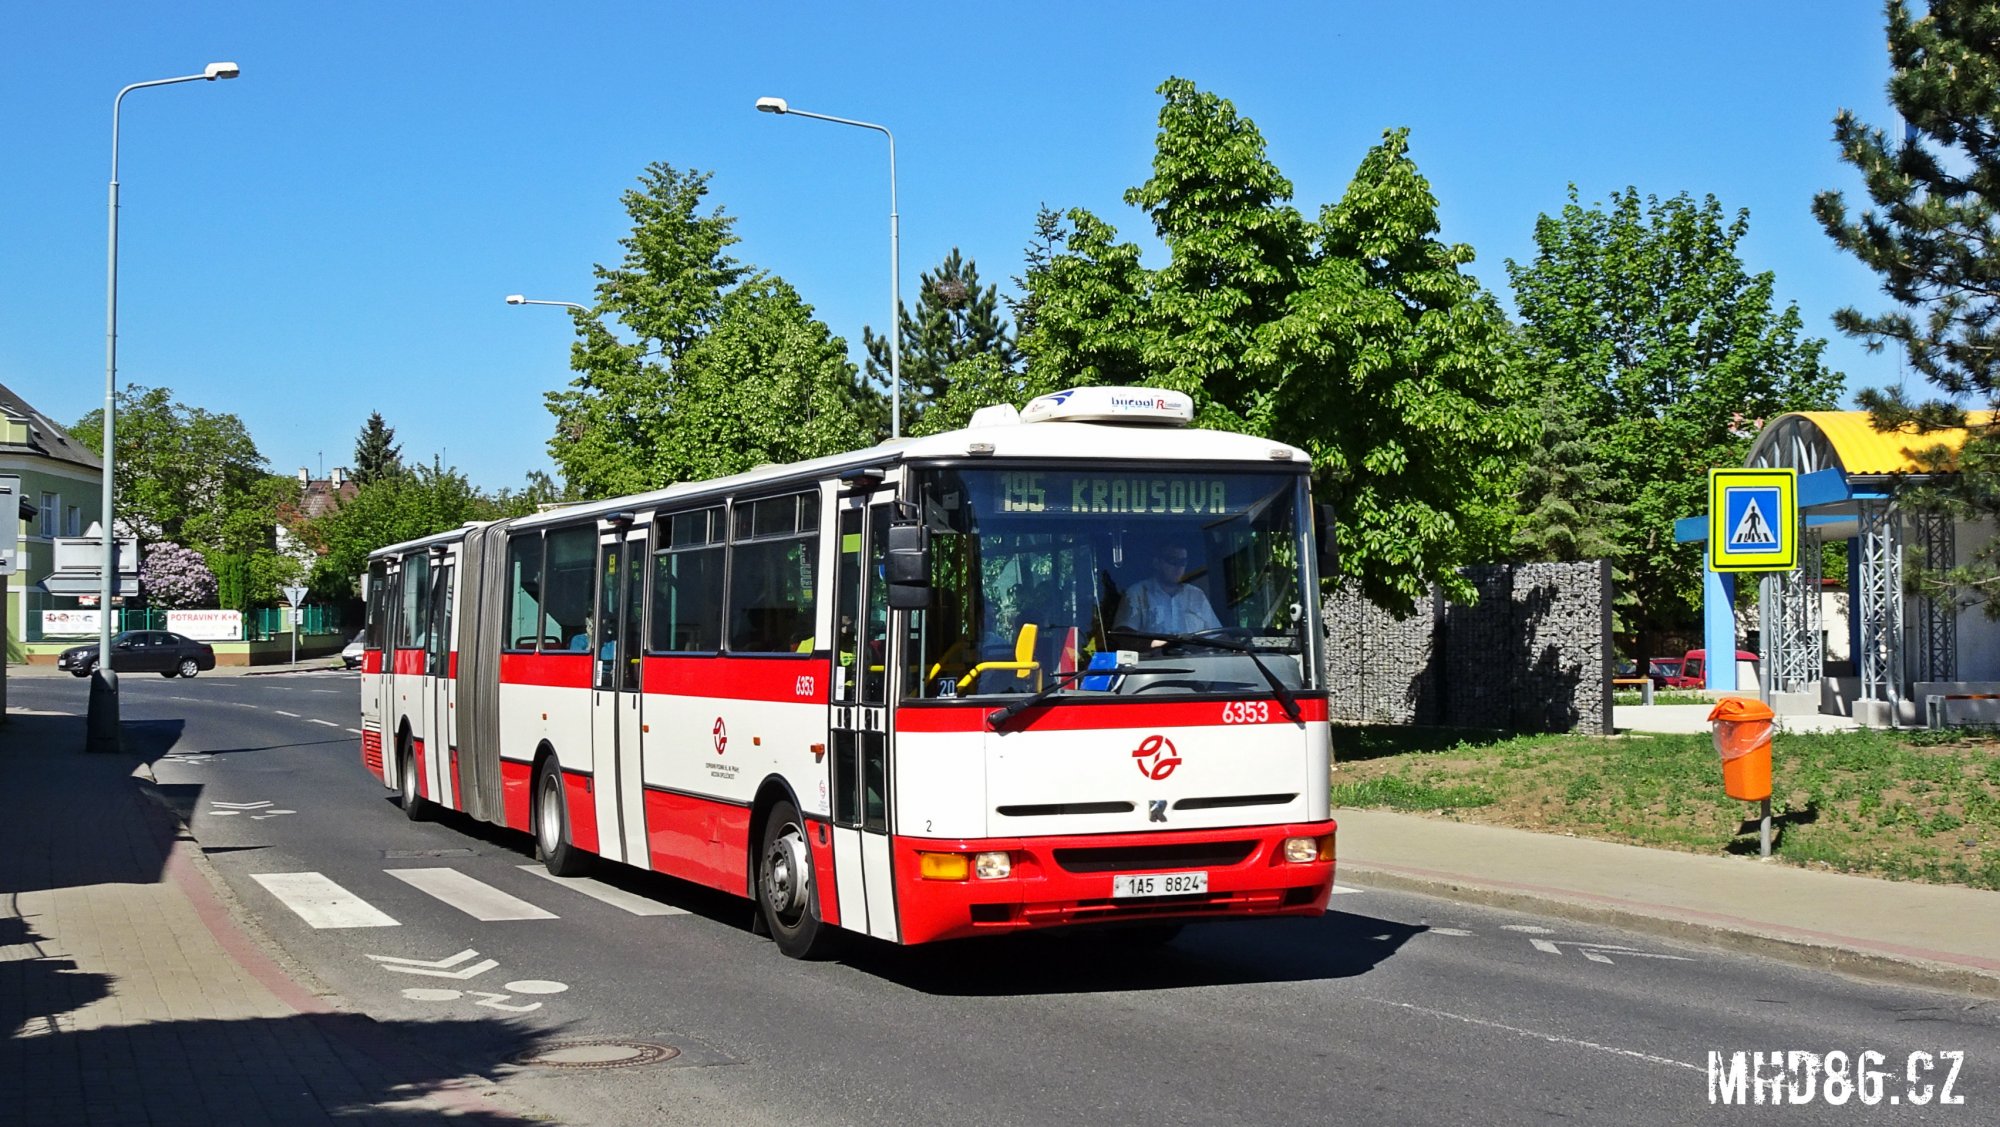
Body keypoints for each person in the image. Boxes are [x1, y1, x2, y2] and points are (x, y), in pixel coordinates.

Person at [1113, 545, 1222, 637]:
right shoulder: (1138, 593)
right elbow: (1125, 637)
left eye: (1182, 562)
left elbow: (1217, 635)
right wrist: (1153, 645)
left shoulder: (1197, 595)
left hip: (1195, 661)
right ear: (1156, 563)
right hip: (1152, 661)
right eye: (1173, 561)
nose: (1178, 567)